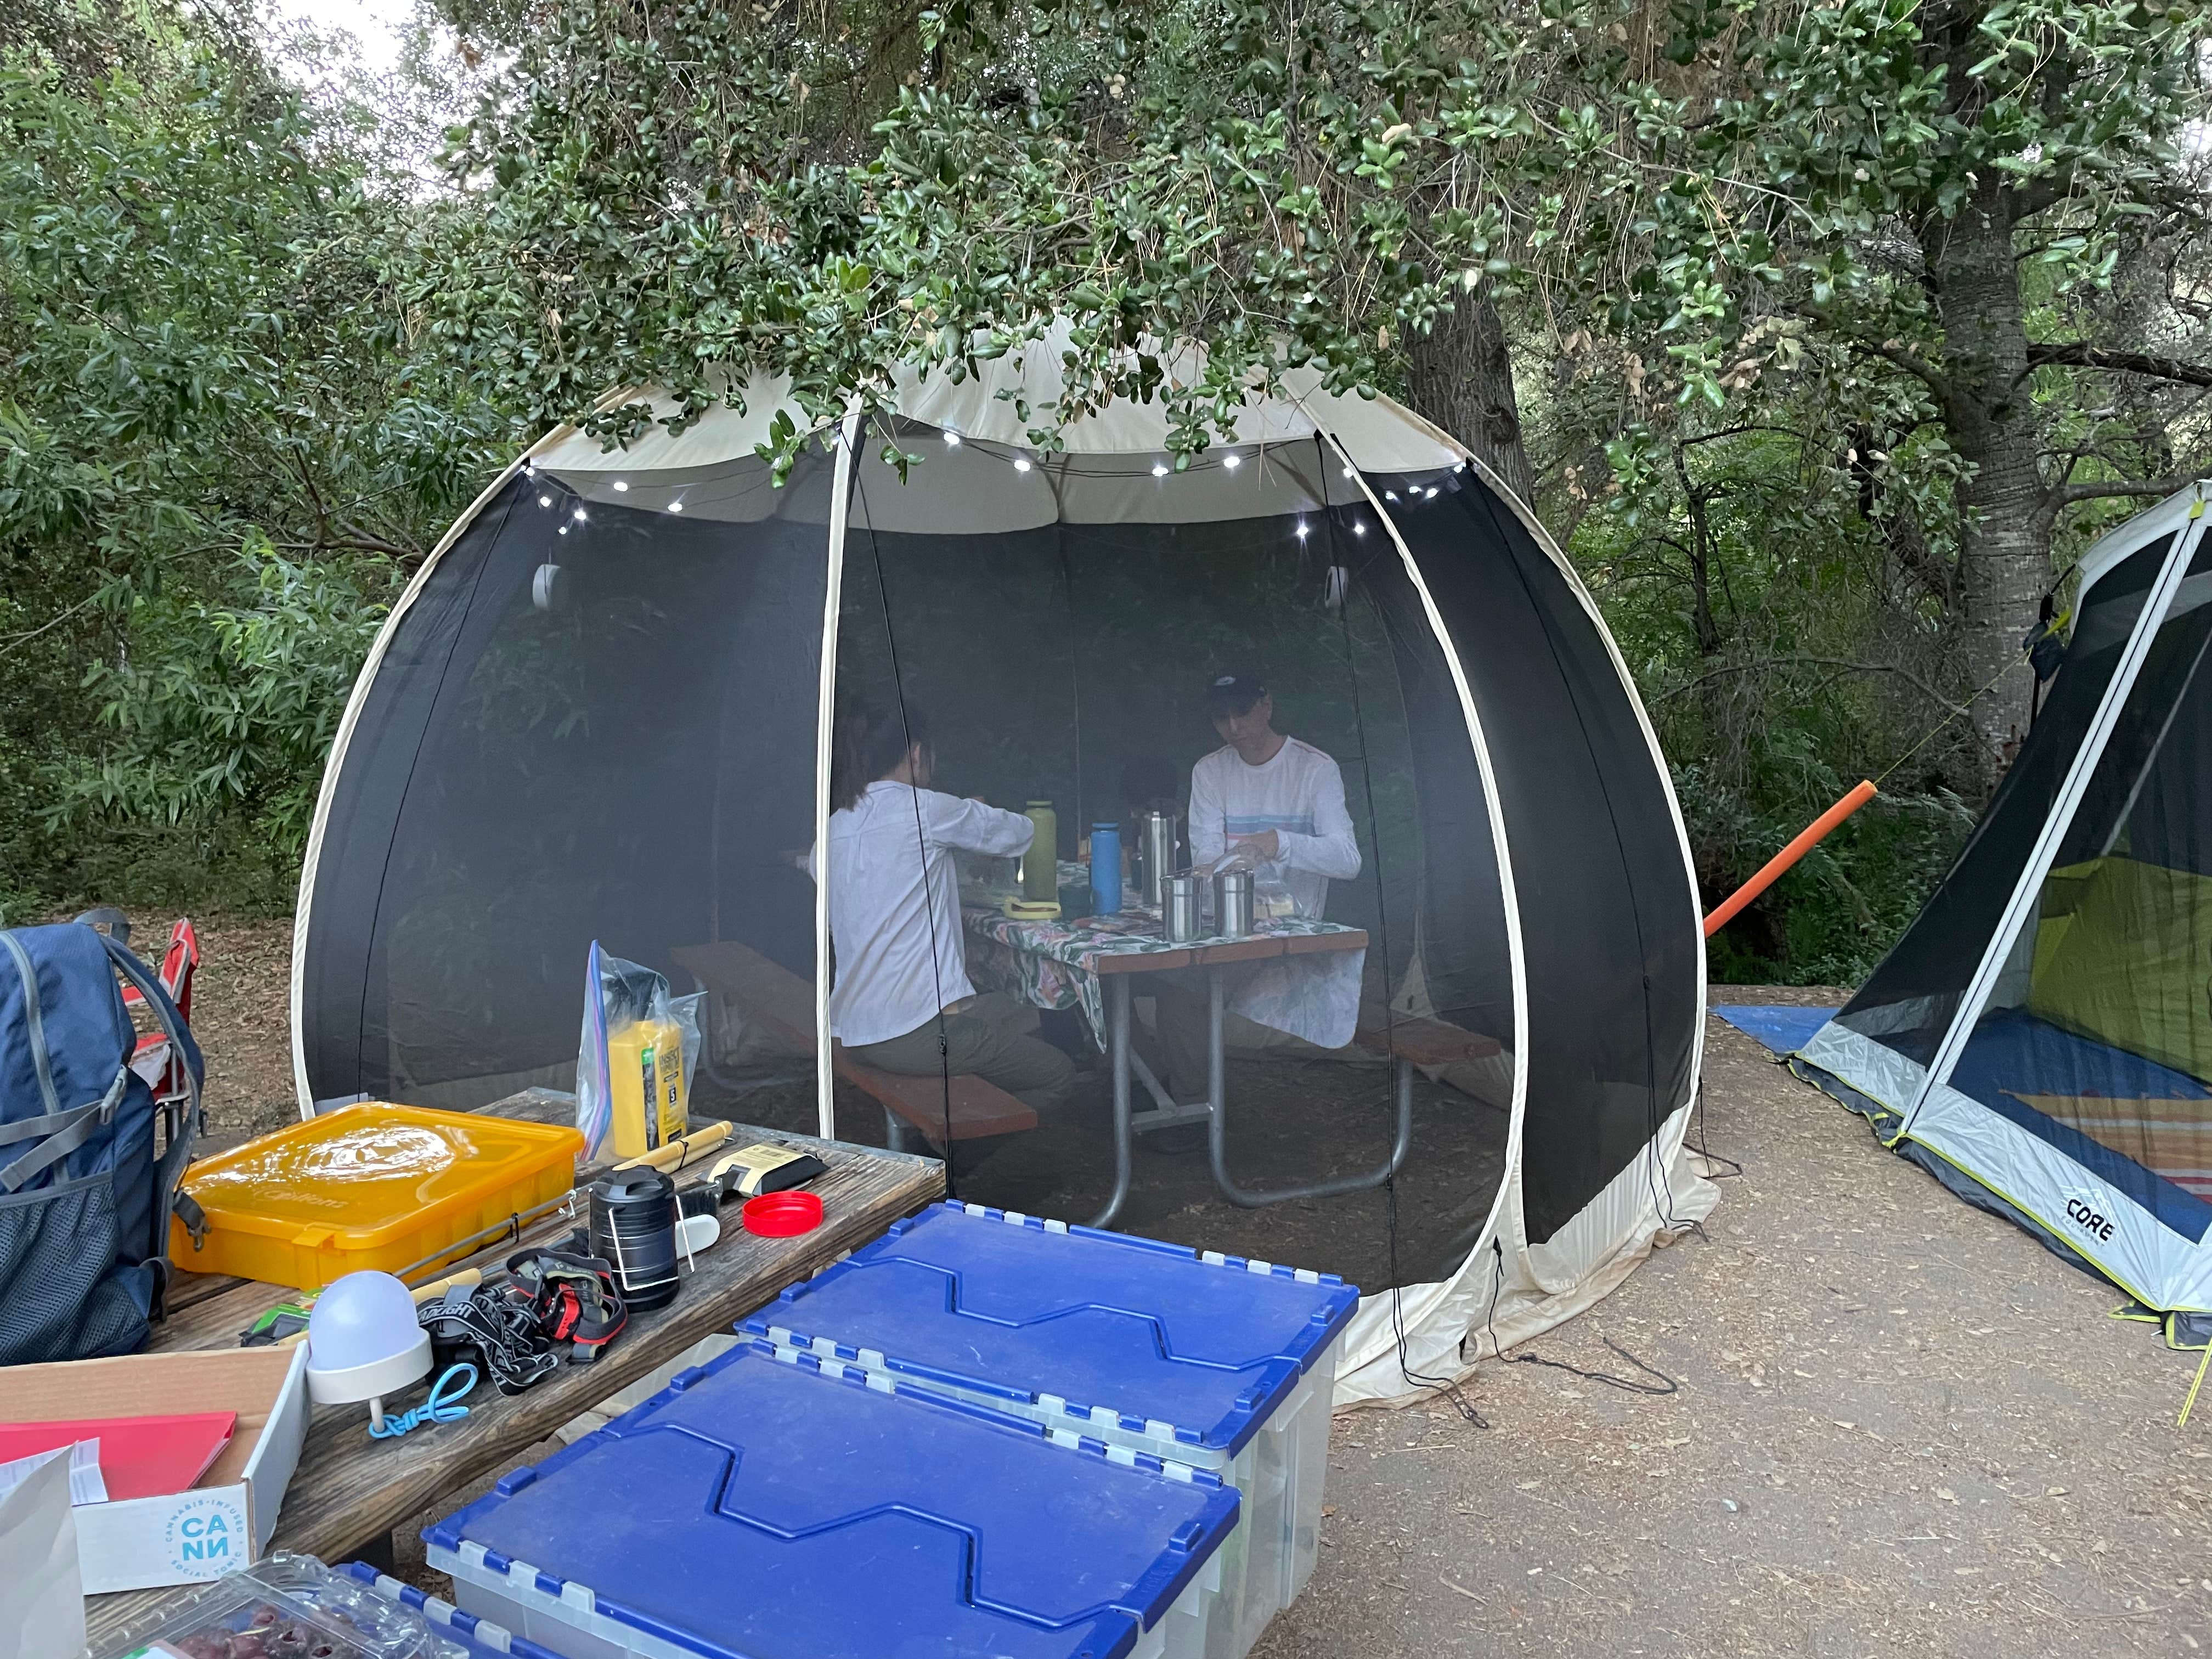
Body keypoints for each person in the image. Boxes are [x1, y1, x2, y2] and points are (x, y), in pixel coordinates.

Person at [809, 699, 1074, 1120]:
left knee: (1009, 1015)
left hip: (854, 1030)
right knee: (1056, 1072)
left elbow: (838, 870)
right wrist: (972, 810)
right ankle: (949, 1161)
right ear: (916, 754)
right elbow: (1019, 833)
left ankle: (945, 1136)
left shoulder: (834, 828)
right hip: (915, 1035)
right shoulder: (926, 809)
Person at [1142, 667, 1361, 1146]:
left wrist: (1280, 843)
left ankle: (1190, 1115)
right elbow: (1205, 859)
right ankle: (1157, 1095)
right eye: (1221, 718)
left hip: (1292, 928)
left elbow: (1349, 860)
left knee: (1182, 989)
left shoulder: (1314, 769)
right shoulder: (1210, 770)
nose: (1234, 727)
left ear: (1266, 705)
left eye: (1242, 712)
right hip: (1226, 921)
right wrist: (1230, 871)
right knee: (1149, 975)